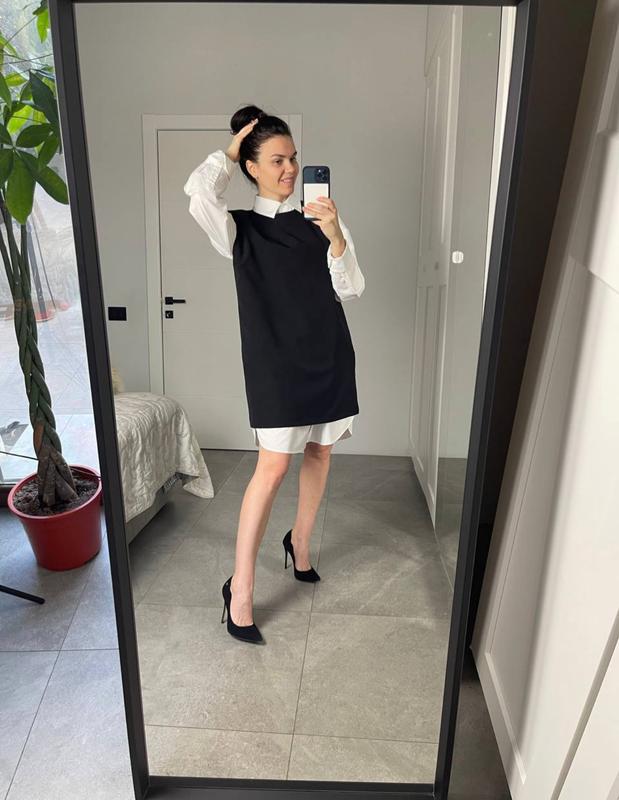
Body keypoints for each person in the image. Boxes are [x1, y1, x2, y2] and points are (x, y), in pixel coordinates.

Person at [183, 105, 365, 645]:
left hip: (329, 355)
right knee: (273, 468)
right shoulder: (238, 229)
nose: (290, 169)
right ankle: (240, 589)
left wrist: (336, 236)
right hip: (275, 366)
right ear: (252, 168)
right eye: (277, 160)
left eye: (294, 159)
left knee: (321, 452)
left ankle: (300, 543)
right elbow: (198, 194)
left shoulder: (322, 220)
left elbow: (352, 288)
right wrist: (229, 151)